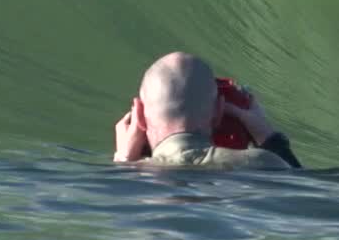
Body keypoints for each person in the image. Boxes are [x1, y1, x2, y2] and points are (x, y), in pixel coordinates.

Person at [112, 52, 302, 169]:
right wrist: (270, 140)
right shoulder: (264, 164)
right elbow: (303, 202)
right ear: (219, 110)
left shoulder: (132, 179)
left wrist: (123, 162)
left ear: (139, 117)